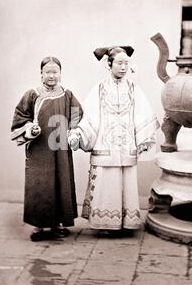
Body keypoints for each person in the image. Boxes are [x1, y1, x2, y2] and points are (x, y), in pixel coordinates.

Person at [68, 46, 159, 235]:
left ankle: (126, 223)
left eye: (126, 63)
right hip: (104, 144)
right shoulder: (99, 89)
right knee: (106, 182)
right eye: (119, 63)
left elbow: (142, 114)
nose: (123, 67)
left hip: (126, 145)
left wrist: (142, 138)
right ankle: (105, 225)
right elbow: (90, 116)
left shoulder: (133, 89)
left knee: (126, 181)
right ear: (109, 65)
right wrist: (80, 134)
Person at [11, 56, 83, 241]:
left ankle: (58, 223)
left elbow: (77, 113)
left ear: (60, 73)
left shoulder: (67, 94)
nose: (52, 76)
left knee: (61, 182)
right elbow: (20, 117)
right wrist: (30, 129)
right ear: (41, 74)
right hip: (39, 148)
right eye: (47, 72)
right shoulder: (32, 94)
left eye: (55, 72)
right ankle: (38, 227)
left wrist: (73, 130)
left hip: (60, 147)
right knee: (40, 185)